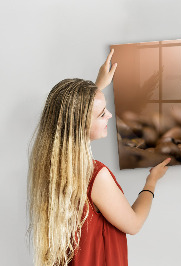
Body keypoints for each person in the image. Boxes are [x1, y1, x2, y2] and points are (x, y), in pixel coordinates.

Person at [27, 49, 171, 266]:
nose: (110, 116)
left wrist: (97, 86)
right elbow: (134, 224)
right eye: (102, 113)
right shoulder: (95, 176)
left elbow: (72, 113)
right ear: (81, 123)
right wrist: (152, 181)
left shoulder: (49, 164)